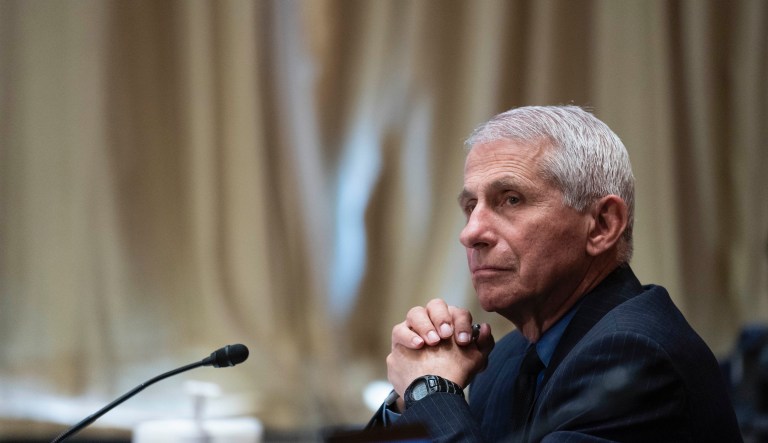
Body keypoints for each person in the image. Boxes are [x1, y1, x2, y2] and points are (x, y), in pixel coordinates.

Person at [367, 106, 742, 442]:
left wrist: (429, 391)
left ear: (601, 225)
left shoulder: (635, 356)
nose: (470, 233)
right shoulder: (505, 359)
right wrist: (407, 403)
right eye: (470, 206)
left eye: (511, 200)